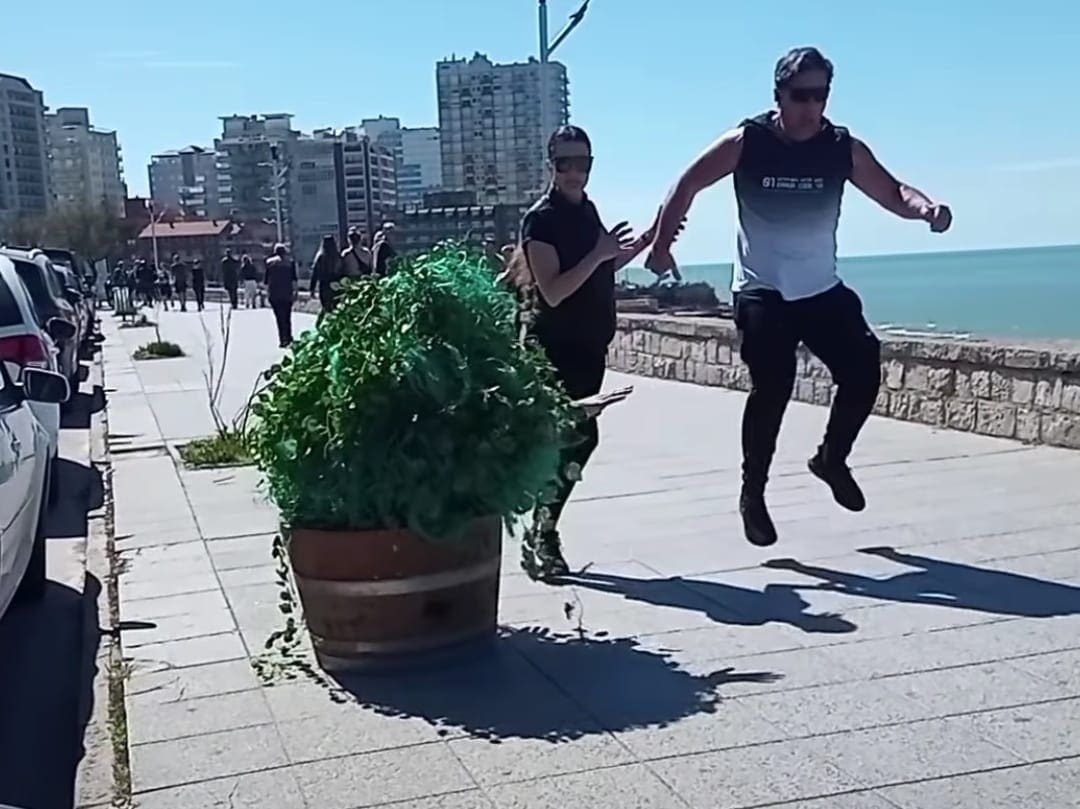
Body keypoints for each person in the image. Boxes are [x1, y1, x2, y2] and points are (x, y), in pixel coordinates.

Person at [646, 46, 953, 548]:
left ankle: (831, 458)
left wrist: (927, 209)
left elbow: (894, 192)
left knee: (863, 365)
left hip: (820, 290)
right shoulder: (748, 141)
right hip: (762, 290)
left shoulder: (841, 147)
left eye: (820, 95)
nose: (812, 105)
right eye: (801, 95)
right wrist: (662, 246)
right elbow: (687, 183)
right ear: (779, 96)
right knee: (774, 386)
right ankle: (753, 494)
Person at [515, 125, 663, 579]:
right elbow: (555, 290)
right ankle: (543, 534)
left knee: (571, 441)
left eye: (583, 163)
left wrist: (648, 239)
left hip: (589, 349)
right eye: (566, 163)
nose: (575, 172)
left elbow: (602, 264)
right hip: (554, 349)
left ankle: (540, 529)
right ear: (551, 164)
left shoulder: (587, 211)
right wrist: (599, 253)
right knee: (578, 439)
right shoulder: (540, 221)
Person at [264, 243, 298, 347]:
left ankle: (282, 339)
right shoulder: (290, 263)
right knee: (287, 317)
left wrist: (267, 293)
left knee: (279, 317)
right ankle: (288, 337)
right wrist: (295, 292)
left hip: (274, 294)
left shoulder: (269, 263)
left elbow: (266, 281)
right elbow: (294, 280)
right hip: (287, 293)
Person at [310, 234, 343, 313]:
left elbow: (315, 274)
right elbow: (342, 271)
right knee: (336, 309)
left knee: (326, 309)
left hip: (324, 286)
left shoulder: (320, 257)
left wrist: (312, 289)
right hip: (336, 285)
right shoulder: (338, 256)